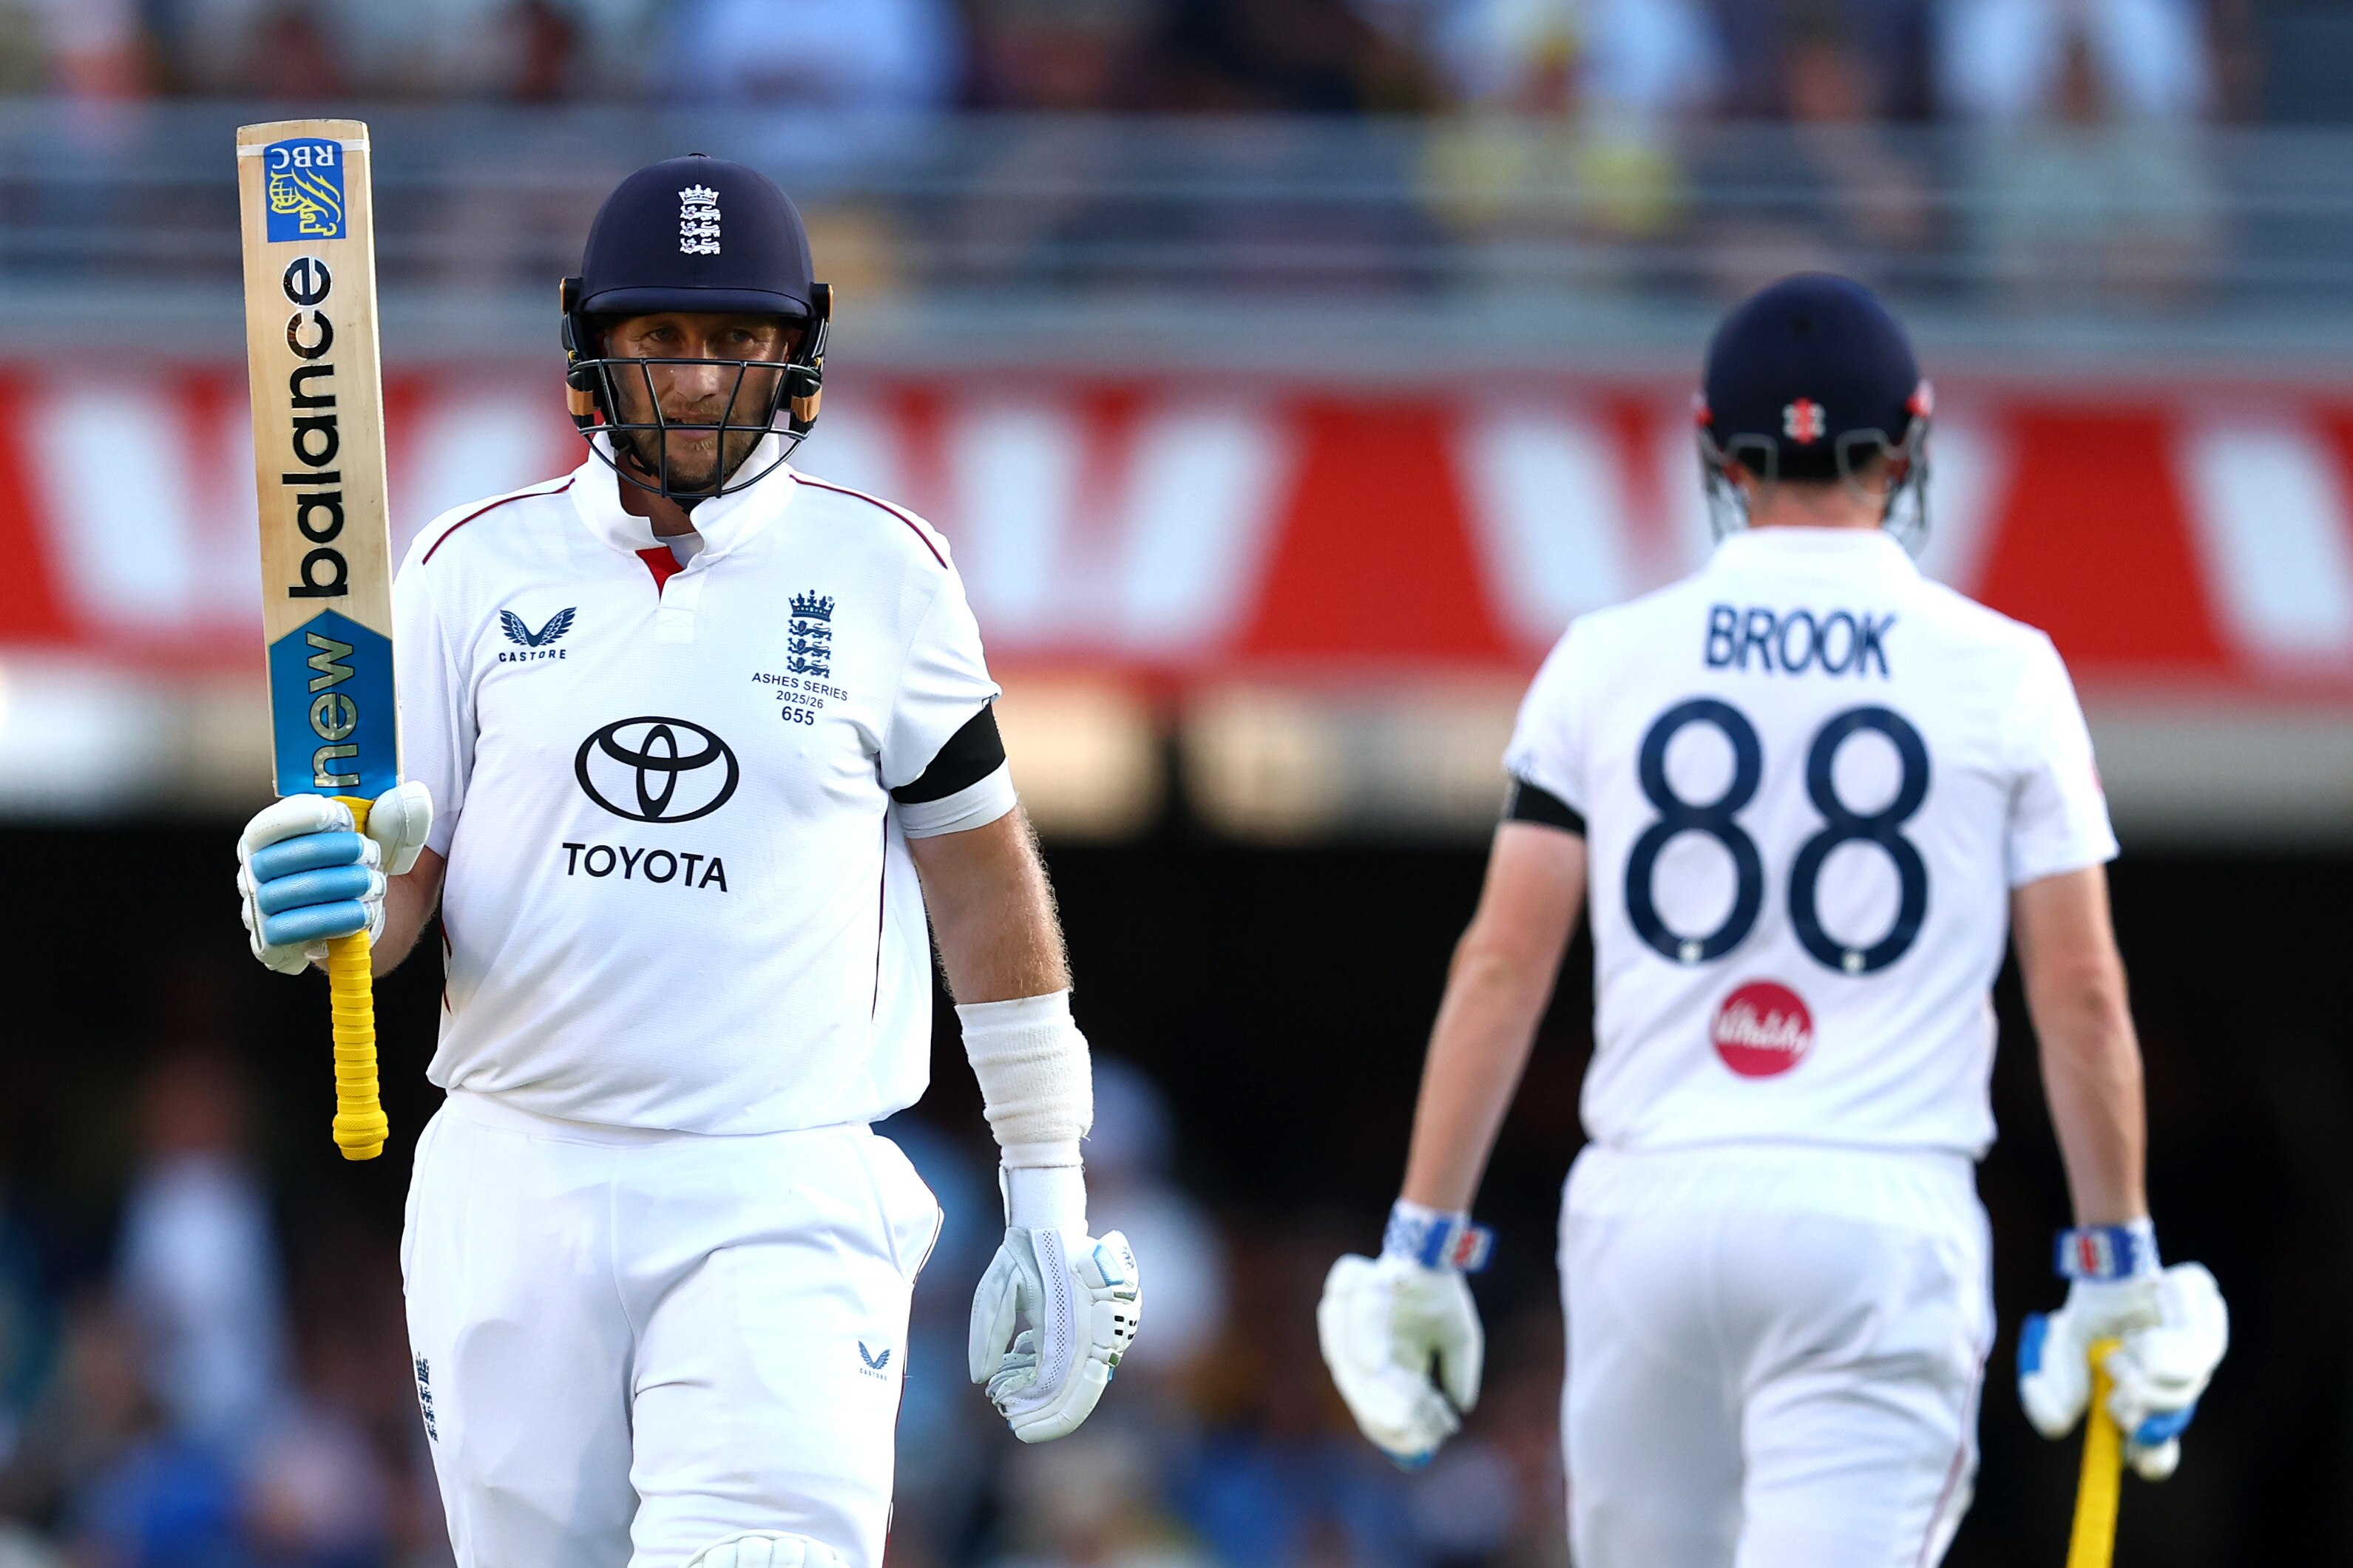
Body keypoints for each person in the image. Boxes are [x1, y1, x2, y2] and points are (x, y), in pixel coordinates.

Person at [230, 154, 1141, 1568]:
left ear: (797, 353)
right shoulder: (470, 568)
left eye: (737, 340)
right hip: (511, 1176)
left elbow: (978, 874)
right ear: (594, 346)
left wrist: (1047, 1181)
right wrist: (328, 905)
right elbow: (402, 891)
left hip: (776, 1183)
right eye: (661, 338)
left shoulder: (887, 570)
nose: (701, 378)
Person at [1317, 273, 2227, 1567]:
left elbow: (1503, 964)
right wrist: (2117, 1260)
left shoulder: (1605, 656)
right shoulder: (2003, 670)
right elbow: (2077, 993)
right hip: (1878, 1210)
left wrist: (1419, 1243)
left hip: (1648, 1208)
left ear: (1717, 451)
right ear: (1906, 447)